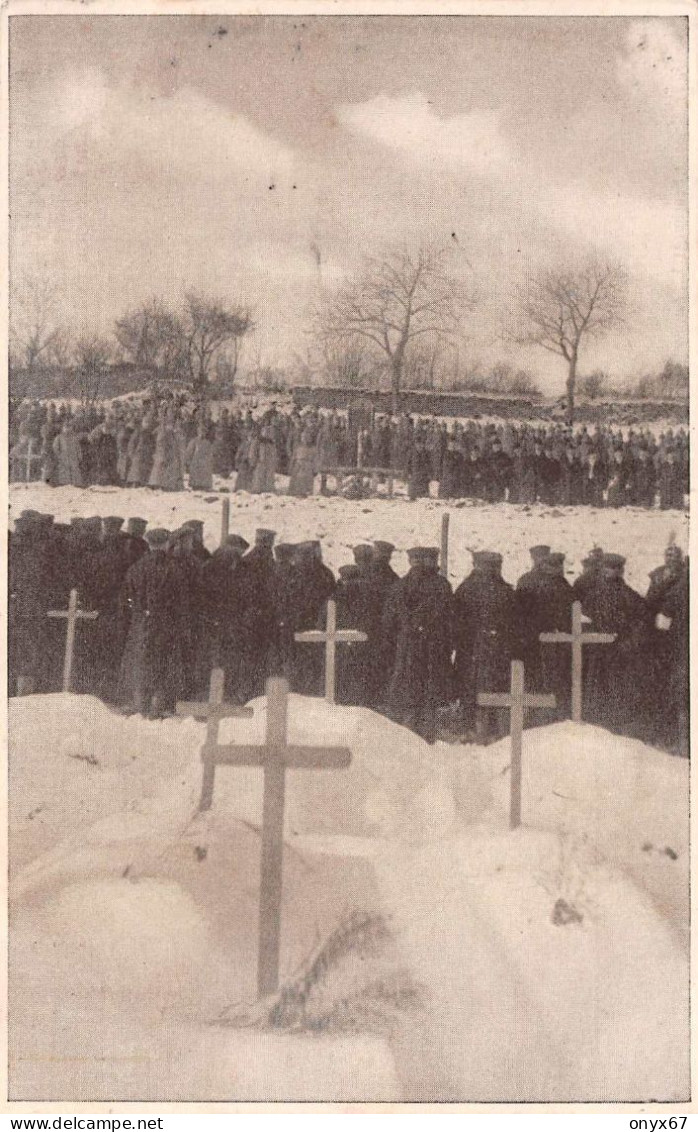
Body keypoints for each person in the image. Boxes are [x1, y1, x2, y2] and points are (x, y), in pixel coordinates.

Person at [118, 528, 194, 717]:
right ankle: (157, 706)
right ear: (168, 543)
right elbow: (182, 603)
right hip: (166, 625)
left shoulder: (135, 568)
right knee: (164, 663)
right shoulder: (175, 569)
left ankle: (139, 705)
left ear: (149, 543)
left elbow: (125, 600)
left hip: (140, 624)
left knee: (140, 662)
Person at [382, 546, 454, 743]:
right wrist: (446, 647)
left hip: (406, 648)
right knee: (430, 691)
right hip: (433, 649)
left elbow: (388, 624)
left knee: (408, 689)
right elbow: (451, 622)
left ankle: (406, 735)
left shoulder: (399, 586)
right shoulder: (441, 585)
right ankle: (428, 735)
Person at [453, 550, 517, 741]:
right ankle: (481, 729)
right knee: (481, 688)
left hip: (483, 651)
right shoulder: (471, 590)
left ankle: (479, 728)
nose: (493, 570)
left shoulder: (468, 589)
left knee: (480, 688)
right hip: (482, 651)